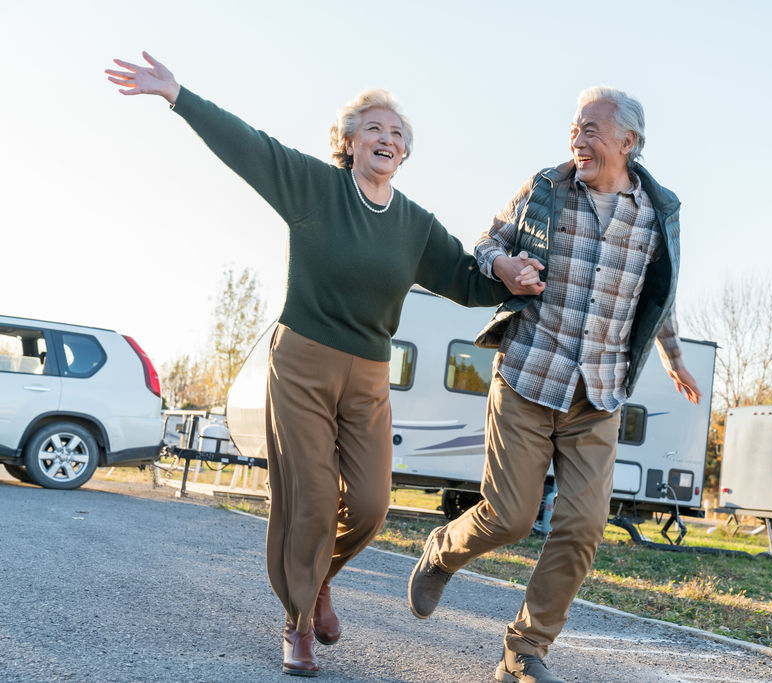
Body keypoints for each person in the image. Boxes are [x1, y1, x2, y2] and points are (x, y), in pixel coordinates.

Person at [106, 52, 544, 678]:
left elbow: (464, 279)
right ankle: (297, 624)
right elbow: (248, 146)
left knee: (368, 505)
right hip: (304, 362)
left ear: (405, 154)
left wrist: (515, 282)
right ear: (347, 141)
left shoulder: (415, 225)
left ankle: (315, 580)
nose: (387, 138)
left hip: (368, 372)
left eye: (397, 134)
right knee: (310, 499)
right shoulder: (315, 188)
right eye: (374, 128)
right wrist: (179, 96)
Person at [408, 86, 702, 683]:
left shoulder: (656, 214)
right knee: (510, 516)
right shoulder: (546, 189)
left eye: (592, 129)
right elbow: (488, 242)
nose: (578, 138)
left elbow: (660, 296)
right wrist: (505, 267)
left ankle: (525, 648)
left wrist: (672, 356)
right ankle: (442, 551)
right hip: (527, 375)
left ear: (628, 142)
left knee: (583, 526)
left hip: (598, 394)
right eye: (575, 127)